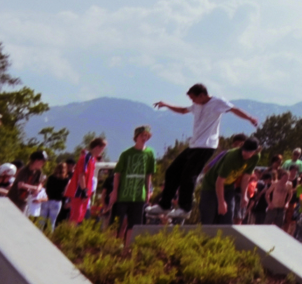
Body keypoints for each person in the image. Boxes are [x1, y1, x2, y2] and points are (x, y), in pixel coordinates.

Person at [152, 85, 257, 217]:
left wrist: (250, 118)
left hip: (206, 146)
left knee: (188, 175)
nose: (192, 102)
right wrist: (166, 104)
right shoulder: (197, 105)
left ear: (202, 95)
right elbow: (183, 110)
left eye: (193, 98)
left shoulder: (217, 102)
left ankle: (185, 208)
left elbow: (234, 109)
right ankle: (164, 205)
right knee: (172, 171)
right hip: (194, 146)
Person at [108, 126, 159, 251]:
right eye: (142, 135)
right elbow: (118, 174)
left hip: (138, 195)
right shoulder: (126, 154)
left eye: (147, 135)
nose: (144, 138)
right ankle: (112, 247)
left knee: (134, 224)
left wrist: (148, 191)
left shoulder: (150, 153)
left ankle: (127, 248)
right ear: (136, 136)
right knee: (117, 223)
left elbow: (148, 175)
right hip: (123, 195)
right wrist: (114, 191)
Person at [195, 136, 260, 225]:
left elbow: (246, 177)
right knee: (208, 218)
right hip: (211, 186)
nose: (246, 154)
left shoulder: (256, 157)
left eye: (249, 152)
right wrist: (221, 202)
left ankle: (225, 237)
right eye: (244, 150)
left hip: (229, 187)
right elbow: (219, 181)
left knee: (228, 217)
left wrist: (244, 195)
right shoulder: (232, 156)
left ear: (255, 151)